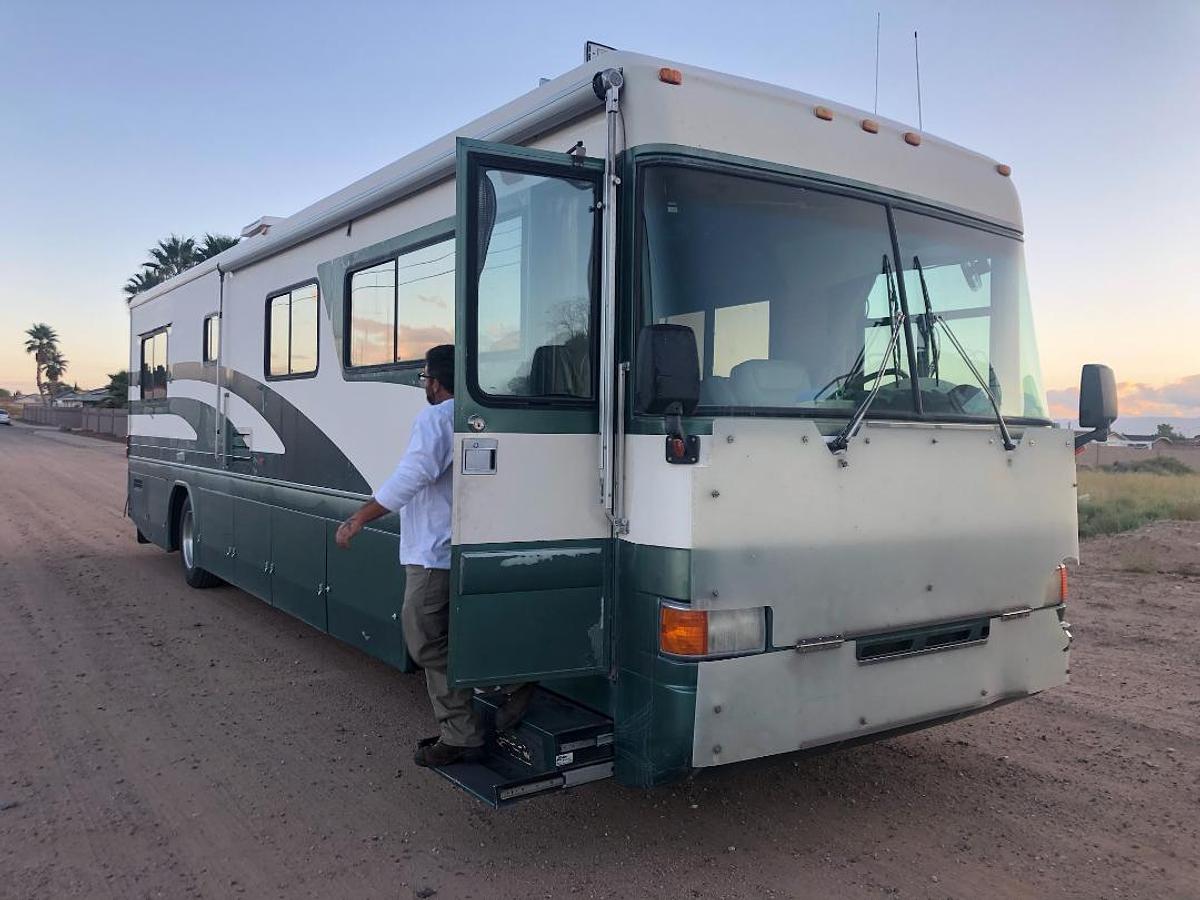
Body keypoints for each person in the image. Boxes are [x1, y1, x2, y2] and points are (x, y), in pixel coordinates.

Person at [334, 345, 487, 766]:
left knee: (423, 642)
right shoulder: (476, 418)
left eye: (424, 379)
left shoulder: (436, 418)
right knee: (450, 638)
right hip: (458, 546)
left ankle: (465, 731)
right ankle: (493, 697)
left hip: (432, 554)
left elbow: (412, 476)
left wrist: (360, 517)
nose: (425, 386)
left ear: (435, 382)